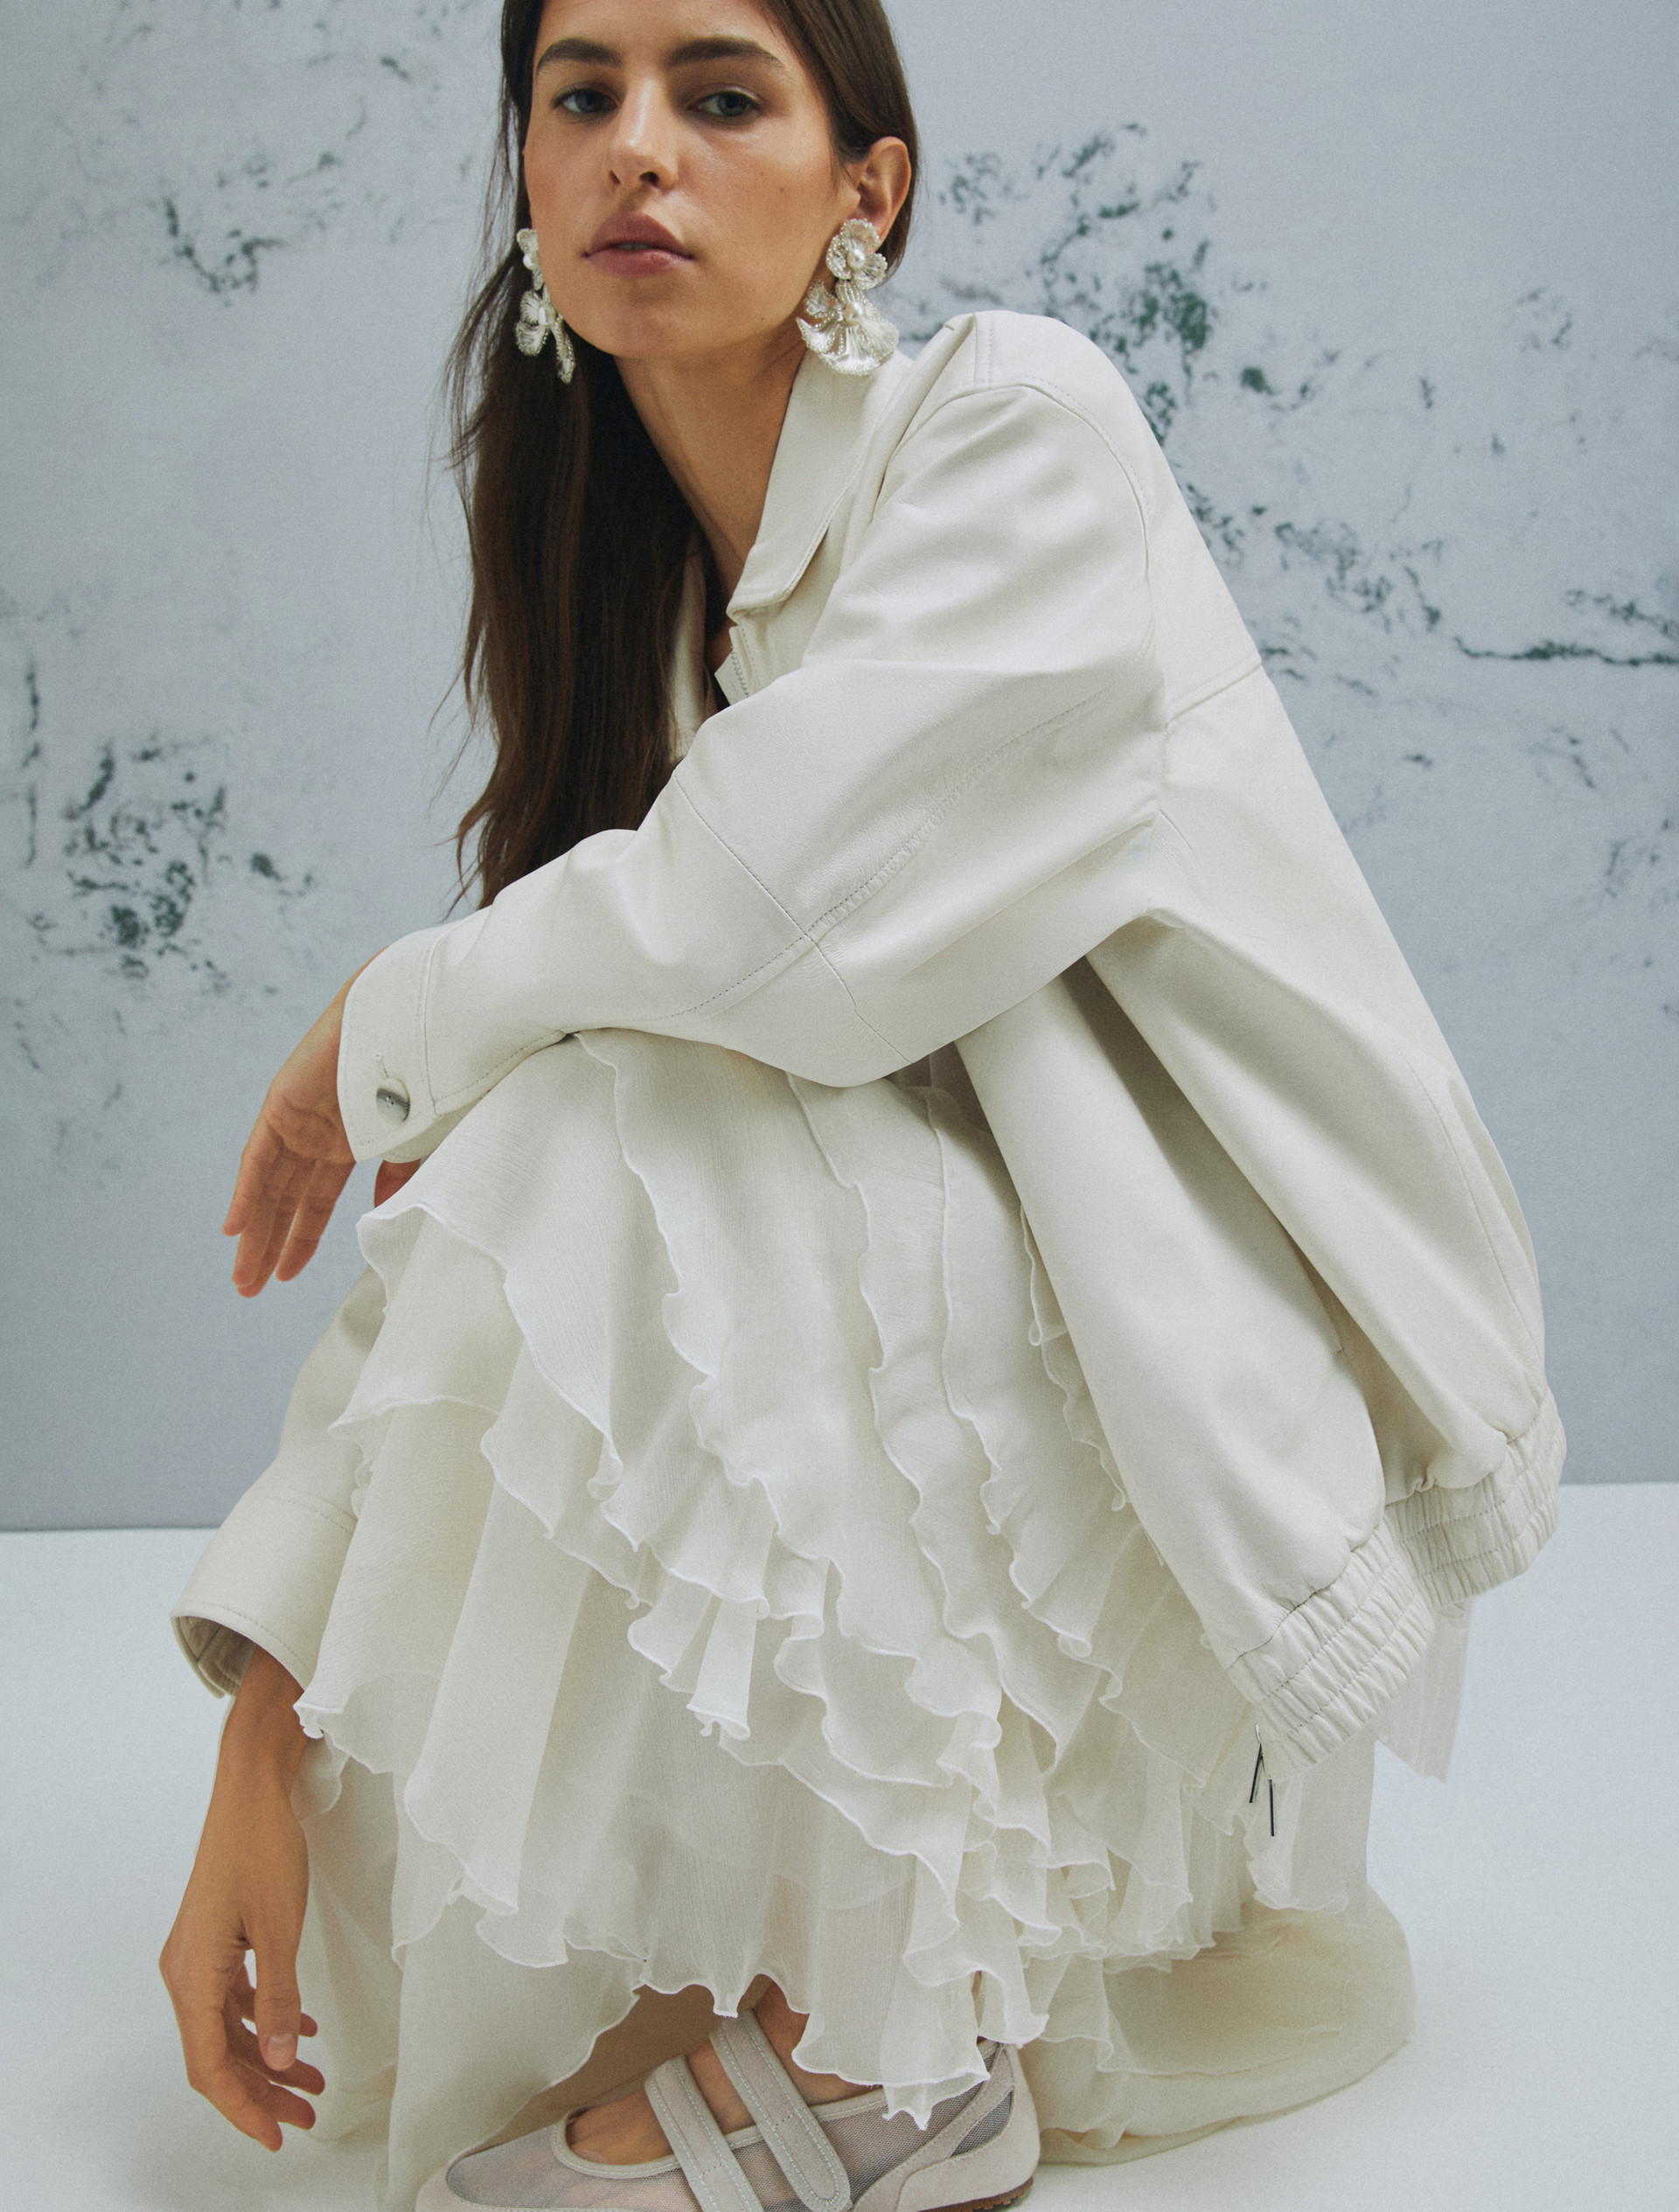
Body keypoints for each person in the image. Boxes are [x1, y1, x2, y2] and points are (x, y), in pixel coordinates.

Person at [157, 3, 1565, 2209]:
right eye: (580, 96)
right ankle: (806, 1963)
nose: (640, 149)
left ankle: (892, 2045)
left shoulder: (1020, 438)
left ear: (866, 190)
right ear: (525, 178)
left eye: (722, 96)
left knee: (635, 1085)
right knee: (587, 1101)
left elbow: (771, 923)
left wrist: (379, 1016)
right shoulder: (640, 609)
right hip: (944, 1385)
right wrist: (268, 1709)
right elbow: (497, 1197)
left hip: (1177, 1409)